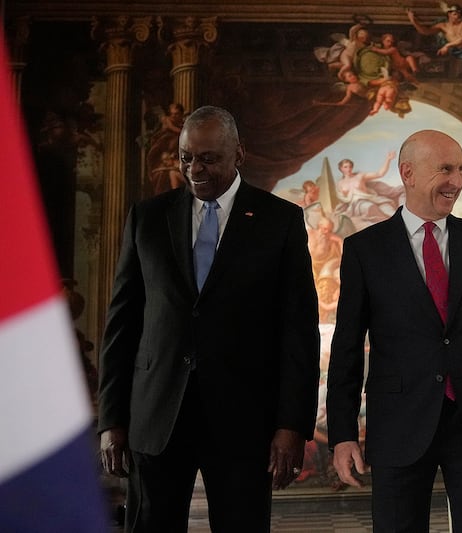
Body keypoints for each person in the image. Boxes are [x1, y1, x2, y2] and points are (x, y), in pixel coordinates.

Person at [97, 105, 321, 531]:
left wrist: (292, 425)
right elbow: (121, 327)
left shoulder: (280, 221)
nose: (194, 169)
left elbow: (299, 332)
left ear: (239, 154)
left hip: (244, 422)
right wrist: (112, 420)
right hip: (156, 419)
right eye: (186, 157)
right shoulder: (146, 219)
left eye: (208, 158)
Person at [326, 129, 462, 532]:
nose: (457, 181)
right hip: (398, 425)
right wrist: (342, 435)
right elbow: (346, 348)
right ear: (408, 173)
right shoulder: (364, 250)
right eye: (445, 169)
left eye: (461, 169)